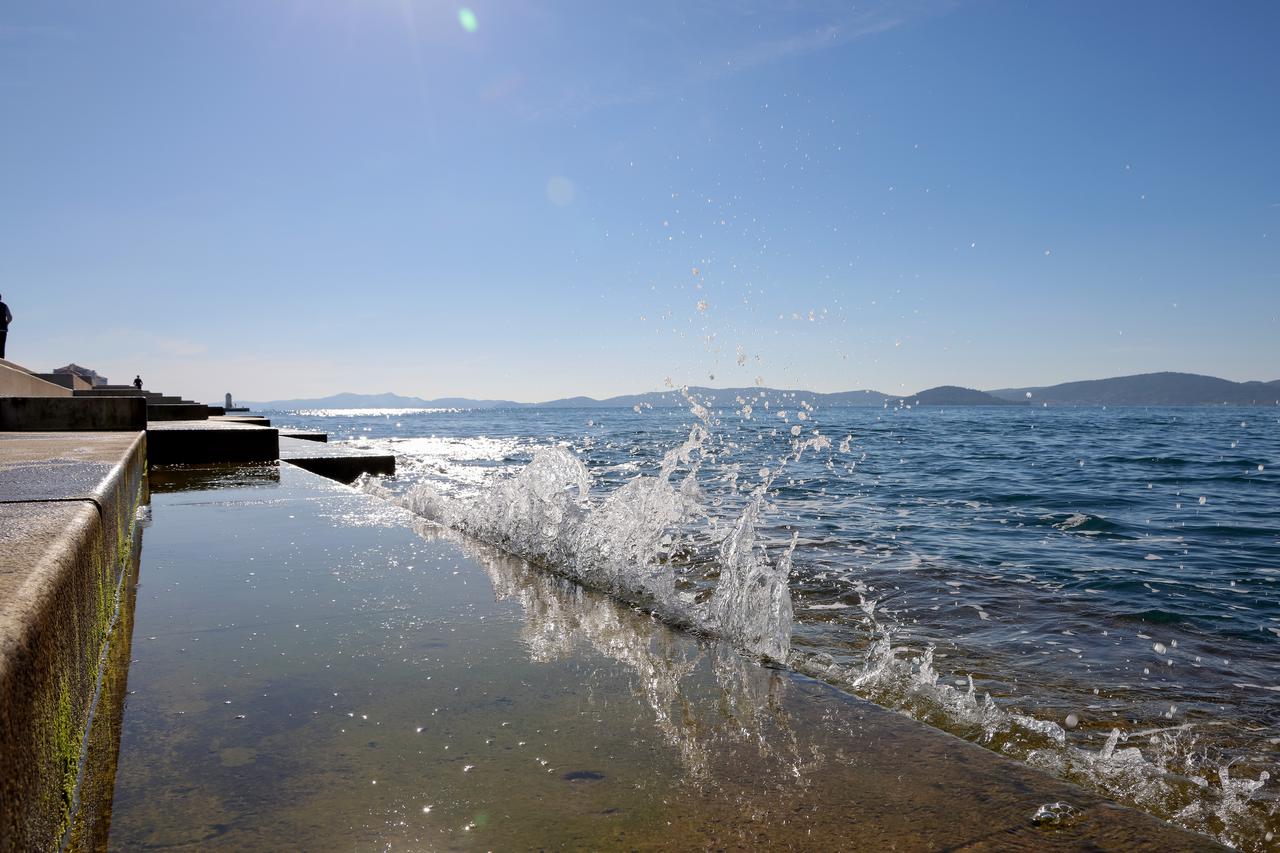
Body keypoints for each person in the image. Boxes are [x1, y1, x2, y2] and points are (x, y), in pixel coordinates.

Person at [0, 293, 11, 359]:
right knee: (1, 347)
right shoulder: (4, 306)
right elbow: (10, 317)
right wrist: (6, 323)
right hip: (3, 330)